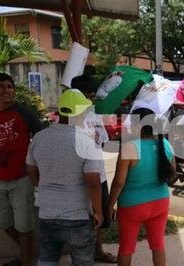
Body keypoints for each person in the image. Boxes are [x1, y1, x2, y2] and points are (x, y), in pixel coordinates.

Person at [26, 89, 103, 265]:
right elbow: (93, 182)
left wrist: (41, 186)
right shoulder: (86, 141)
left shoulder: (39, 137)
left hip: (47, 212)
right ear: (80, 112)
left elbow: (30, 169)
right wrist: (98, 211)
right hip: (77, 215)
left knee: (47, 259)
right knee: (82, 261)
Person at [0, 73, 42, 266]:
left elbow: (42, 138)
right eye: (0, 86)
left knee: (25, 225)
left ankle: (26, 262)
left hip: (22, 178)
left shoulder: (25, 114)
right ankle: (30, 255)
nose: (6, 90)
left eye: (9, 86)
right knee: (1, 222)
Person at [108, 107, 175, 266]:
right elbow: (172, 173)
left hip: (132, 205)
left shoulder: (129, 147)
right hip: (160, 201)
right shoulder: (165, 144)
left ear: (138, 125)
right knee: (158, 246)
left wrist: (109, 205)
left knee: (126, 248)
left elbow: (119, 182)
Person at [71, 75, 117, 263]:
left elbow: (103, 141)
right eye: (87, 95)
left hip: (99, 174)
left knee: (100, 217)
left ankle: (98, 250)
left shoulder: (94, 115)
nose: (91, 100)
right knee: (80, 219)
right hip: (76, 179)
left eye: (92, 96)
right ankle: (82, 254)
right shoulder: (67, 118)